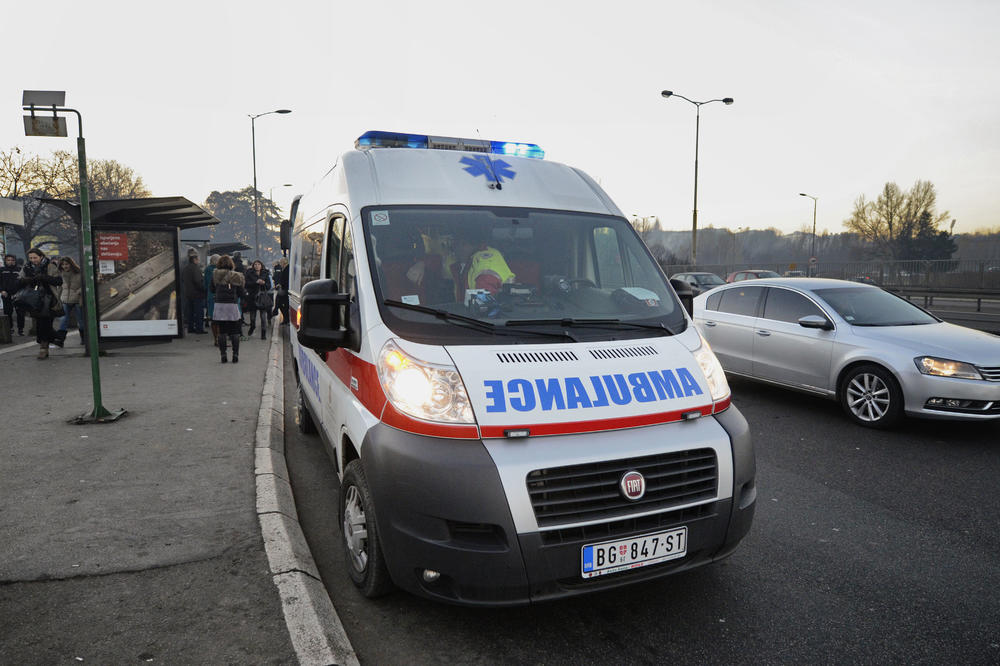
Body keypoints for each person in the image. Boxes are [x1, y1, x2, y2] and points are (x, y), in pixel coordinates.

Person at [18, 247, 62, 359]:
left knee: (45, 323)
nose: (33, 260)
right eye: (31, 258)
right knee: (40, 324)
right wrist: (28, 280)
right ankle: (54, 340)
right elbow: (19, 280)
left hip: (49, 298)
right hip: (33, 299)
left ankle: (45, 347)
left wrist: (44, 277)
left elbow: (58, 281)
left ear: (41, 256)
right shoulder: (27, 267)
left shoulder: (50, 265)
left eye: (35, 257)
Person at [212, 255, 245, 363]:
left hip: (220, 305)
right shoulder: (236, 276)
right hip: (232, 305)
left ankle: (223, 355)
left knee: (222, 331)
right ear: (231, 264)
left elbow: (211, 289)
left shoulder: (215, 275)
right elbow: (241, 292)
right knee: (235, 331)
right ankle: (235, 354)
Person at [57, 257, 84, 343]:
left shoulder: (79, 273)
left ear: (71, 264)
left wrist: (79, 291)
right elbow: (60, 288)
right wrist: (57, 299)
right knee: (63, 319)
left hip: (77, 300)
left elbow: (84, 284)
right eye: (63, 264)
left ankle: (84, 338)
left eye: (67, 264)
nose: (65, 266)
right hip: (65, 299)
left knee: (80, 320)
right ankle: (60, 340)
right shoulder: (60, 274)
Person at [244, 259, 273, 339]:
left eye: (258, 264)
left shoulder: (265, 273)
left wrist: (264, 283)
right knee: (252, 316)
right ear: (253, 266)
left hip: (262, 297)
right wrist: (256, 282)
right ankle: (252, 327)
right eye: (255, 264)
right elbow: (246, 284)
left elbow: (269, 285)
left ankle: (263, 334)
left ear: (261, 266)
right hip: (252, 297)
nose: (257, 266)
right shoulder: (249, 273)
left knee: (263, 316)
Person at [181, 253, 206, 334]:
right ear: (194, 260)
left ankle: (190, 328)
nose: (198, 261)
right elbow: (198, 281)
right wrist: (203, 289)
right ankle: (199, 329)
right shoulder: (195, 268)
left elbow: (183, 279)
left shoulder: (185, 269)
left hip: (188, 293)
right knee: (199, 312)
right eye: (197, 259)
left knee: (190, 312)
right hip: (197, 293)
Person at [1, 254, 22, 335]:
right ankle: (10, 328)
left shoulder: (19, 269)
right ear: (5, 261)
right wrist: (2, 290)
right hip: (6, 294)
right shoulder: (2, 270)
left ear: (15, 261)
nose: (10, 262)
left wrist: (20, 292)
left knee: (20, 313)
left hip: (18, 295)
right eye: (8, 260)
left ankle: (20, 329)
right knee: (8, 312)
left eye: (12, 260)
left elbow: (23, 282)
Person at [204, 254, 220, 344]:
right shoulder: (219, 270)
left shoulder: (207, 269)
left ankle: (216, 338)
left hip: (210, 295)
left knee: (213, 317)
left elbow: (205, 284)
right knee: (221, 318)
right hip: (219, 295)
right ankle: (220, 338)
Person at [272, 258, 289, 324]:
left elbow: (286, 279)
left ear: (284, 262)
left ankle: (276, 311)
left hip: (285, 289)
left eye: (281, 262)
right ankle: (285, 318)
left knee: (281, 302)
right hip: (284, 288)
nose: (280, 264)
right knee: (281, 303)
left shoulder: (287, 269)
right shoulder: (284, 268)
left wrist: (281, 285)